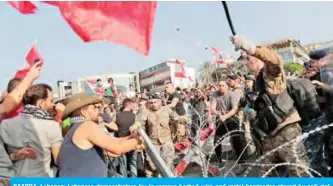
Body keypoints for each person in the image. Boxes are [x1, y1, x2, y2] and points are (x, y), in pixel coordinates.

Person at [230, 35, 309, 177]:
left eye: (248, 58)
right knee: (266, 175)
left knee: (299, 173)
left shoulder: (271, 73)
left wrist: (251, 48)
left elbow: (276, 60)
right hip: (268, 135)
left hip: (286, 131)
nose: (246, 62)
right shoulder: (256, 82)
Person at [57, 93, 142, 177]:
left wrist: (130, 137)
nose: (98, 109)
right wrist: (138, 140)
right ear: (83, 112)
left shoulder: (76, 126)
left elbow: (112, 143)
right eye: (94, 107)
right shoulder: (86, 126)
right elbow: (117, 148)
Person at [1, 84, 62, 177]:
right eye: (51, 101)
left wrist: (14, 156)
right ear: (41, 103)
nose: (53, 104)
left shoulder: (6, 125)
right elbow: (59, 160)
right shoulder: (51, 125)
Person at [115, 98, 137, 177]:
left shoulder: (117, 115)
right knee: (133, 163)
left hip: (121, 143)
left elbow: (113, 128)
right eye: (132, 105)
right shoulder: (134, 116)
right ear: (129, 105)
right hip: (132, 142)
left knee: (123, 165)